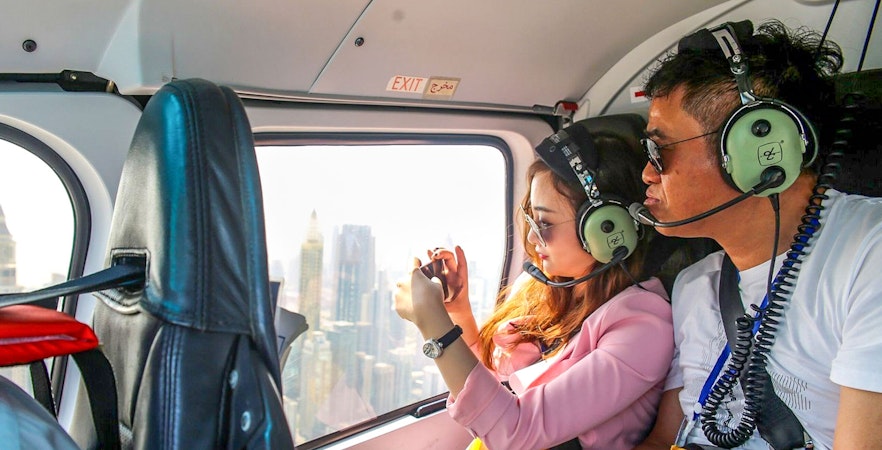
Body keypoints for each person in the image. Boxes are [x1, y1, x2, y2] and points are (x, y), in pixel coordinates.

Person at [633, 19, 882, 450]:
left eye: (660, 148)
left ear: (762, 145)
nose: (647, 173)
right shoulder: (695, 286)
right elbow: (663, 440)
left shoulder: (868, 258)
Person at [394, 124, 674, 449]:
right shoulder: (542, 286)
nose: (530, 240)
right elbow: (491, 392)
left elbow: (514, 432)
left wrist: (433, 325)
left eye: (544, 225)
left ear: (608, 229)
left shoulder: (643, 327)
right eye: (531, 221)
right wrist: (456, 310)